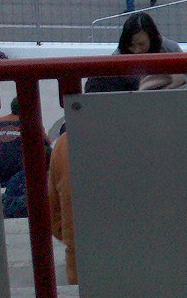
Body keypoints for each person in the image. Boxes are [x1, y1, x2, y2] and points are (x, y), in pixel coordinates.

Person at [50, 75, 140, 285]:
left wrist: (74, 241)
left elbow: (52, 214)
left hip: (83, 268)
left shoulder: (64, 144)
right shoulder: (144, 141)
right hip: (143, 265)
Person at [115, 13, 187, 87]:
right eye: (131, 45)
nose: (137, 50)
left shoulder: (170, 49)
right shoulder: (118, 56)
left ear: (151, 38)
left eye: (141, 44)